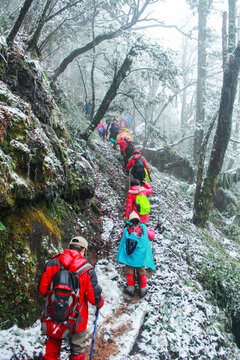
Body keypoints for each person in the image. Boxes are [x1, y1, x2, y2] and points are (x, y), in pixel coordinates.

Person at [39, 236, 104, 360]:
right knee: (78, 349)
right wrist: (100, 302)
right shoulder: (87, 270)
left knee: (53, 343)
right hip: (77, 318)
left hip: (54, 315)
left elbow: (42, 290)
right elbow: (93, 298)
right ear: (83, 251)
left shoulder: (52, 263)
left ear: (68, 247)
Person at [117, 211, 155, 297]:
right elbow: (151, 236)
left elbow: (122, 239)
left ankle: (131, 288)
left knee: (129, 271)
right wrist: (152, 230)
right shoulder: (143, 227)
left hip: (129, 255)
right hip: (140, 256)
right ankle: (143, 289)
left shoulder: (126, 229)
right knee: (141, 270)